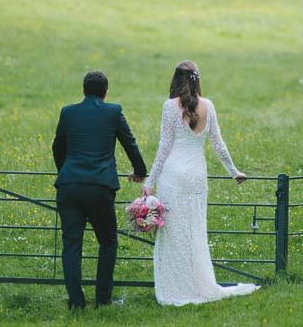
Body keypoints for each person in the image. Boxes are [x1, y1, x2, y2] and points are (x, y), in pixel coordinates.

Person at [142, 60, 260, 306]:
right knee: (195, 231)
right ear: (197, 79)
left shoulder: (169, 107)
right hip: (196, 176)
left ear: (175, 80)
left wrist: (149, 181)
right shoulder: (209, 106)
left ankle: (176, 286)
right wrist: (234, 171)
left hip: (173, 176)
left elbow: (164, 148)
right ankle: (197, 284)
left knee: (173, 233)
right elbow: (218, 143)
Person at [52, 71, 147, 310]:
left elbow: (57, 146)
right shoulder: (113, 112)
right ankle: (103, 299)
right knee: (107, 242)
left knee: (71, 245)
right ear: (105, 92)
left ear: (84, 90)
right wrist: (140, 169)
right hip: (100, 187)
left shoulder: (68, 112)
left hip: (69, 186)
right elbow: (129, 142)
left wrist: (66, 171)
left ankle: (76, 302)